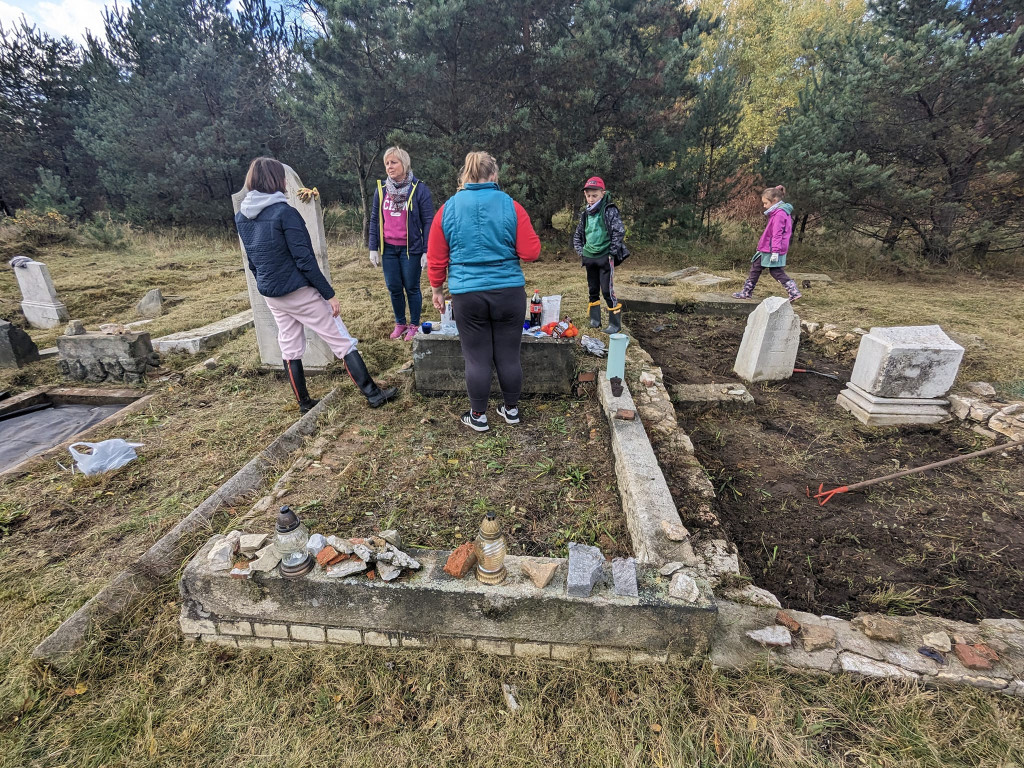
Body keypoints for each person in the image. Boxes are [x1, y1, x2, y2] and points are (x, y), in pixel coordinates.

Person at [235, 157, 398, 413]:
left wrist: (264, 284)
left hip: (271, 293)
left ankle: (303, 403)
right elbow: (305, 260)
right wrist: (328, 294)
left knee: (289, 347)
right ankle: (374, 395)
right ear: (276, 180)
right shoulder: (285, 213)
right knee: (341, 340)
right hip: (298, 291)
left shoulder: (242, 216)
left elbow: (252, 259)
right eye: (282, 177)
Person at [426, 151, 541, 432]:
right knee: (509, 354)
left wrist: (437, 290)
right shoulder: (511, 206)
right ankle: (511, 409)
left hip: (467, 293)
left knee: (476, 357)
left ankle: (479, 416)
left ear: (466, 175)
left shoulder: (449, 208)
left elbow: (436, 256)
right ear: (494, 176)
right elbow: (531, 251)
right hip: (509, 291)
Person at [367, 147, 435, 341]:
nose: (390, 167)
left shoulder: (419, 189)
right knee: (394, 287)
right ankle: (400, 323)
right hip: (388, 248)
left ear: (404, 164)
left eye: (394, 162)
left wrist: (426, 250)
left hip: (410, 249)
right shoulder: (381, 191)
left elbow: (428, 220)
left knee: (411, 287)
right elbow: (374, 219)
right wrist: (373, 247)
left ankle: (414, 324)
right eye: (387, 163)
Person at [572, 176, 629, 334]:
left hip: (605, 257)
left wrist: (612, 252)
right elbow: (578, 235)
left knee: (607, 290)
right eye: (588, 195)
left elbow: (619, 231)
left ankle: (614, 324)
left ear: (602, 193)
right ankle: (595, 320)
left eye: (594, 195)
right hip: (589, 257)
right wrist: (581, 251)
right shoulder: (585, 213)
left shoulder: (609, 210)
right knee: (593, 289)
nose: (591, 199)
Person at [732, 185, 801, 302]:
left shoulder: (779, 214)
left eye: (765, 203)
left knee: (774, 271)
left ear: (774, 201)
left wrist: (775, 251)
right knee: (757, 267)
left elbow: (777, 234)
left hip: (771, 248)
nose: (764, 206)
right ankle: (747, 292)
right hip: (768, 247)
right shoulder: (778, 211)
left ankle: (793, 290)